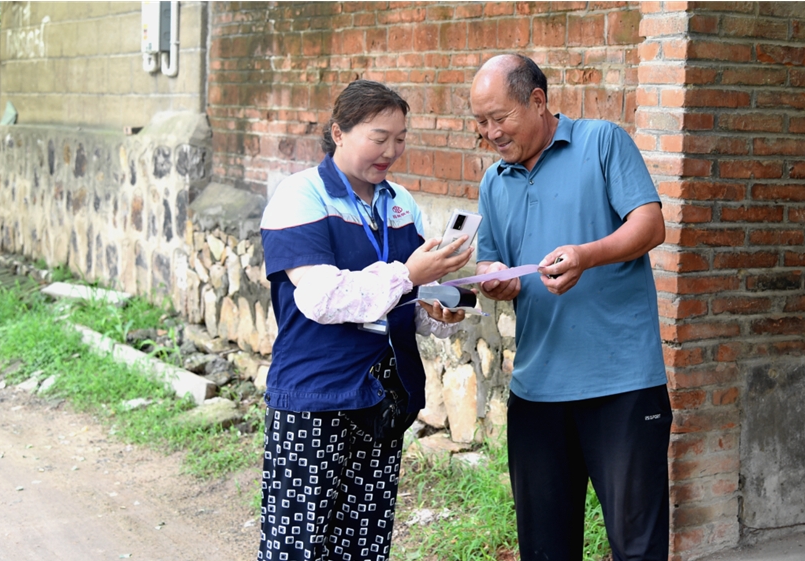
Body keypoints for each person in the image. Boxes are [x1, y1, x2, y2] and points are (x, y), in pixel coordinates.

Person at [258, 79, 472, 561]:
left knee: (365, 544)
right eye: (379, 137)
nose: (391, 151)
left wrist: (438, 310)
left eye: (400, 138)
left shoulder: (400, 204)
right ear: (339, 132)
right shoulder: (300, 196)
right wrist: (407, 274)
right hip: (315, 395)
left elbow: (403, 300)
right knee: (299, 544)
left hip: (382, 396)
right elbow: (322, 298)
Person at [470, 54, 672, 561]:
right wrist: (496, 281)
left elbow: (650, 225)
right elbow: (494, 256)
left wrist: (587, 255)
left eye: (500, 118)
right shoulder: (495, 181)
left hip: (621, 384)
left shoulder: (603, 142)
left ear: (537, 101)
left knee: (637, 547)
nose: (491, 132)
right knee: (545, 548)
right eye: (481, 122)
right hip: (536, 391)